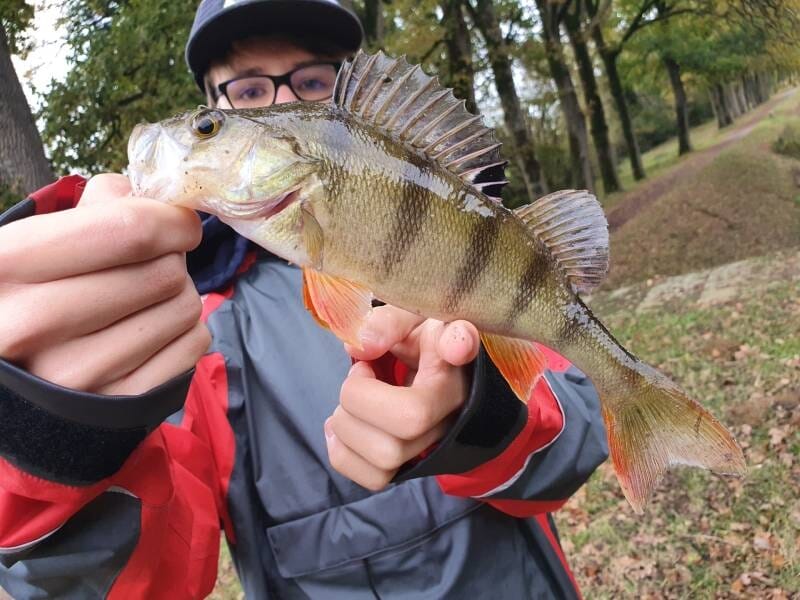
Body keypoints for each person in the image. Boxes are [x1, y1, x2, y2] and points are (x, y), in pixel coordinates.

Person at [0, 0, 608, 598]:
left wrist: (482, 407)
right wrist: (52, 442)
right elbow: (156, 573)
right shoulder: (181, 336)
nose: (285, 101)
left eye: (313, 82)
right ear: (215, 100)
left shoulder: (461, 248)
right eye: (247, 92)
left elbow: (579, 426)